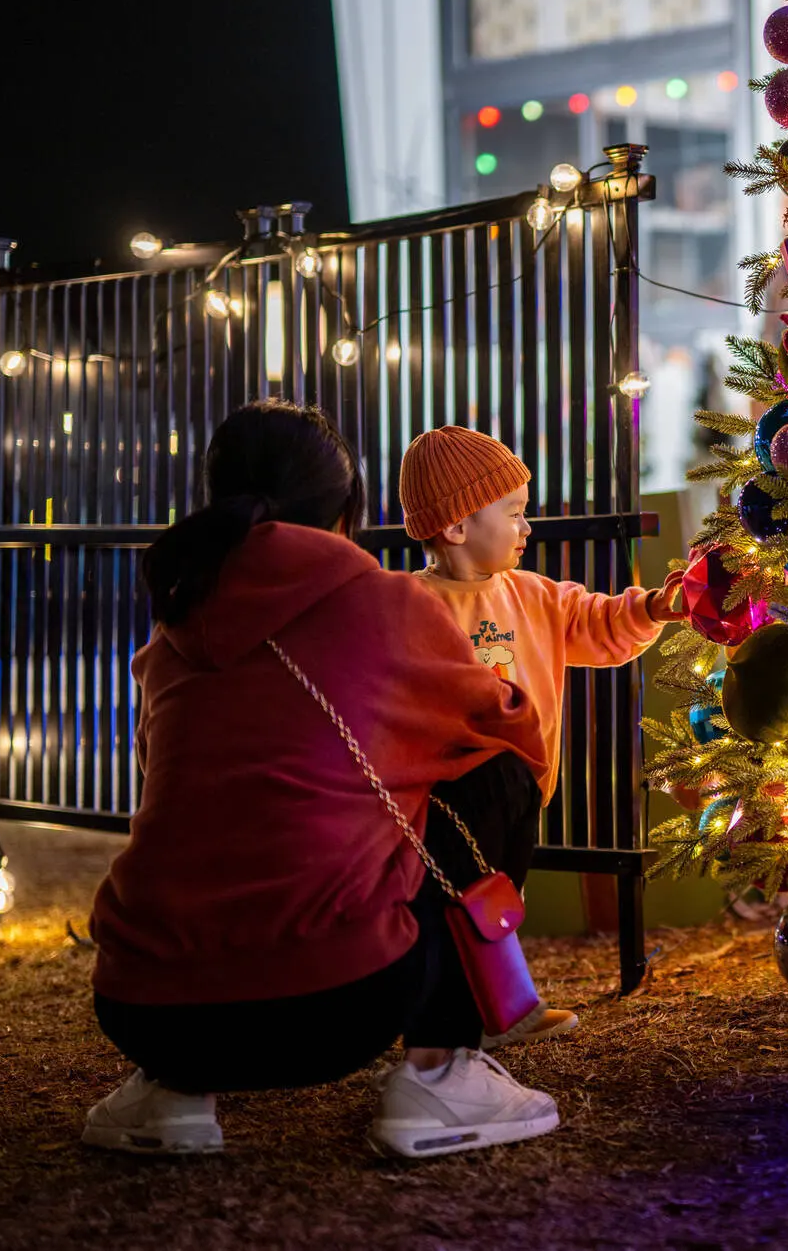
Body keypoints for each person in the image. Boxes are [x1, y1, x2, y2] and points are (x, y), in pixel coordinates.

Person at [85, 400, 560, 1160]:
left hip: (143, 1004)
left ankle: (171, 1091)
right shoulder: (389, 603)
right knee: (493, 767)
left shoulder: (172, 628)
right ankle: (442, 1071)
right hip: (336, 1005)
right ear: (345, 509)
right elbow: (508, 726)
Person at [397, 424, 684, 825]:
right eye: (514, 514)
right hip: (437, 810)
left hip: (522, 801)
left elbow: (597, 621)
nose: (527, 527)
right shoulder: (406, 607)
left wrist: (649, 609)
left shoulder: (537, 597)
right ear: (456, 527)